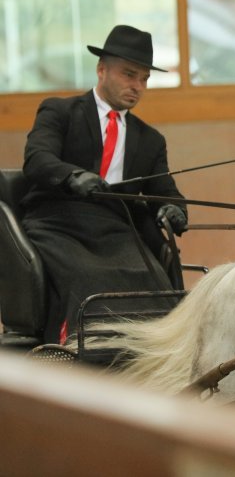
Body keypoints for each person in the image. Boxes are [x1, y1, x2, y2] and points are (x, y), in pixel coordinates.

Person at [21, 24, 188, 345]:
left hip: (116, 228)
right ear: (101, 70)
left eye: (144, 79)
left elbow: (164, 191)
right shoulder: (60, 111)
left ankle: (150, 356)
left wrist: (173, 209)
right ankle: (74, 351)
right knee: (88, 279)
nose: (137, 86)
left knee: (153, 283)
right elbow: (37, 158)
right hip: (58, 222)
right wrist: (72, 176)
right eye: (129, 75)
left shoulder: (150, 139)